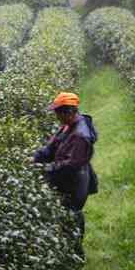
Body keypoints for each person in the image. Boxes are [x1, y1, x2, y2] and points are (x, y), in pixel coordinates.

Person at [31, 92, 98, 240]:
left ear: (68, 112)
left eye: (57, 113)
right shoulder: (67, 126)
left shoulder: (80, 135)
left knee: (72, 215)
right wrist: (35, 158)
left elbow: (70, 166)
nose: (56, 116)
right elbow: (51, 147)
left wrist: (45, 169)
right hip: (66, 180)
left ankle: (76, 252)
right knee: (65, 216)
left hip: (75, 182)